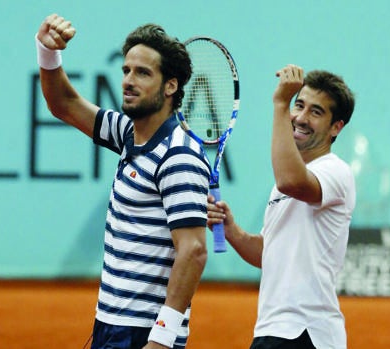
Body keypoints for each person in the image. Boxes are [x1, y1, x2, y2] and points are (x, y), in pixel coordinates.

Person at [35, 14, 210, 349]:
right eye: (126, 70)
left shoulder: (179, 156)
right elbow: (64, 104)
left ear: (170, 85)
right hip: (110, 323)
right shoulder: (128, 133)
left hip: (143, 332)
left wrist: (162, 336)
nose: (128, 80)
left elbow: (194, 250)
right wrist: (47, 51)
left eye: (143, 72)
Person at [207, 64, 356, 349]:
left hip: (305, 332)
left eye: (316, 111)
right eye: (298, 105)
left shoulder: (336, 172)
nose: (300, 117)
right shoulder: (286, 182)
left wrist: (280, 103)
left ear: (336, 127)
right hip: (277, 329)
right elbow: (269, 253)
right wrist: (232, 232)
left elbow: (290, 181)